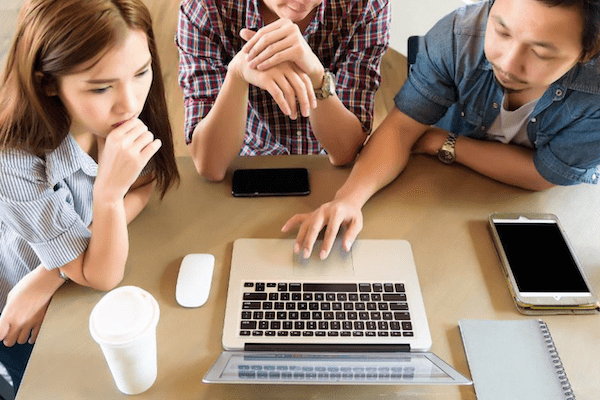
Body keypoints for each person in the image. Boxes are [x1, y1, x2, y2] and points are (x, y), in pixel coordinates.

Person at [282, 0, 600, 259]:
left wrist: (442, 141)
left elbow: (544, 175)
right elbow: (401, 129)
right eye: (502, 32)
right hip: (445, 190)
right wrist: (348, 200)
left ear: (589, 52)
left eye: (541, 53)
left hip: (547, 209)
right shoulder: (458, 34)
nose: (509, 63)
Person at [0, 0, 179, 392]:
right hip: (20, 314)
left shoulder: (119, 108)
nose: (130, 102)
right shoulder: (13, 159)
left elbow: (145, 184)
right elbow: (102, 274)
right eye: (100, 87)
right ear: (48, 82)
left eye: (142, 72)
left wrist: (51, 274)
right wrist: (109, 197)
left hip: (56, 284)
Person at [177, 0, 390, 181]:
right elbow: (210, 166)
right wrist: (237, 74)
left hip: (327, 170)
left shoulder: (367, 5)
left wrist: (317, 75)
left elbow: (346, 151)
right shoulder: (205, 6)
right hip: (244, 163)